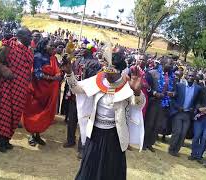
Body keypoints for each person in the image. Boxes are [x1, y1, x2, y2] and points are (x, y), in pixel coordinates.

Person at [62, 50, 145, 180]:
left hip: (115, 136)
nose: (106, 74)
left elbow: (138, 105)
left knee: (110, 171)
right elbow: (77, 89)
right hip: (95, 133)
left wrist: (138, 92)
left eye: (110, 72)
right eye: (105, 70)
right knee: (89, 167)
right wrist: (69, 74)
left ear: (119, 71)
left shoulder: (128, 85)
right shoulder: (99, 79)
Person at [0, 28, 33, 153]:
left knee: (15, 115)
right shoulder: (8, 47)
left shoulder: (29, 52)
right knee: (5, 114)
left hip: (21, 90)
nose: (31, 38)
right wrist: (5, 70)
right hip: (7, 88)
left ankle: (7, 140)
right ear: (21, 36)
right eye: (28, 36)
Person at [22, 38, 62, 146]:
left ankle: (38, 135)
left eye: (54, 47)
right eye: (51, 46)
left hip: (48, 92)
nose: (53, 49)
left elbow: (58, 70)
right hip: (37, 90)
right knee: (34, 112)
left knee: (43, 114)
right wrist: (53, 78)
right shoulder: (38, 57)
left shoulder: (53, 58)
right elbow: (37, 74)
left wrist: (58, 74)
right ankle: (31, 135)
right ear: (44, 46)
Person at [143, 57, 176, 152]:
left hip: (164, 104)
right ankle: (144, 142)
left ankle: (150, 143)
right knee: (149, 123)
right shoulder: (152, 73)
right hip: (153, 102)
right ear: (162, 63)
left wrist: (172, 93)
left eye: (172, 65)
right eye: (169, 64)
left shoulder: (172, 77)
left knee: (157, 125)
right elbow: (147, 88)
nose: (171, 66)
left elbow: (174, 91)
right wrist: (155, 93)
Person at [168, 71, 201, 156]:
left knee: (183, 134)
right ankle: (171, 149)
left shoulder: (197, 88)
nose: (191, 77)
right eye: (189, 75)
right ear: (186, 76)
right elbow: (172, 99)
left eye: (192, 76)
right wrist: (177, 107)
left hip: (187, 114)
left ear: (195, 78)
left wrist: (193, 109)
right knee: (177, 132)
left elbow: (197, 101)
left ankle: (176, 151)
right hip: (178, 112)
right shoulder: (179, 85)